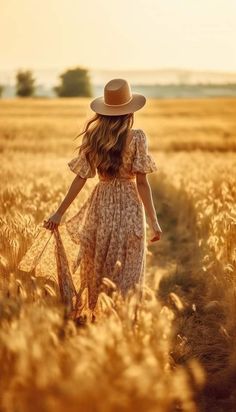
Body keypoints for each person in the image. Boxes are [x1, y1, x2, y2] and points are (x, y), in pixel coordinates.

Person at [18, 78, 162, 323]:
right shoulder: (138, 137)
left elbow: (80, 179)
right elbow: (141, 183)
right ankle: (124, 321)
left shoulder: (94, 137)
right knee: (130, 264)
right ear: (130, 110)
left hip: (101, 205)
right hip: (129, 206)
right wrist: (154, 221)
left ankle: (99, 316)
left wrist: (59, 213)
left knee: (100, 262)